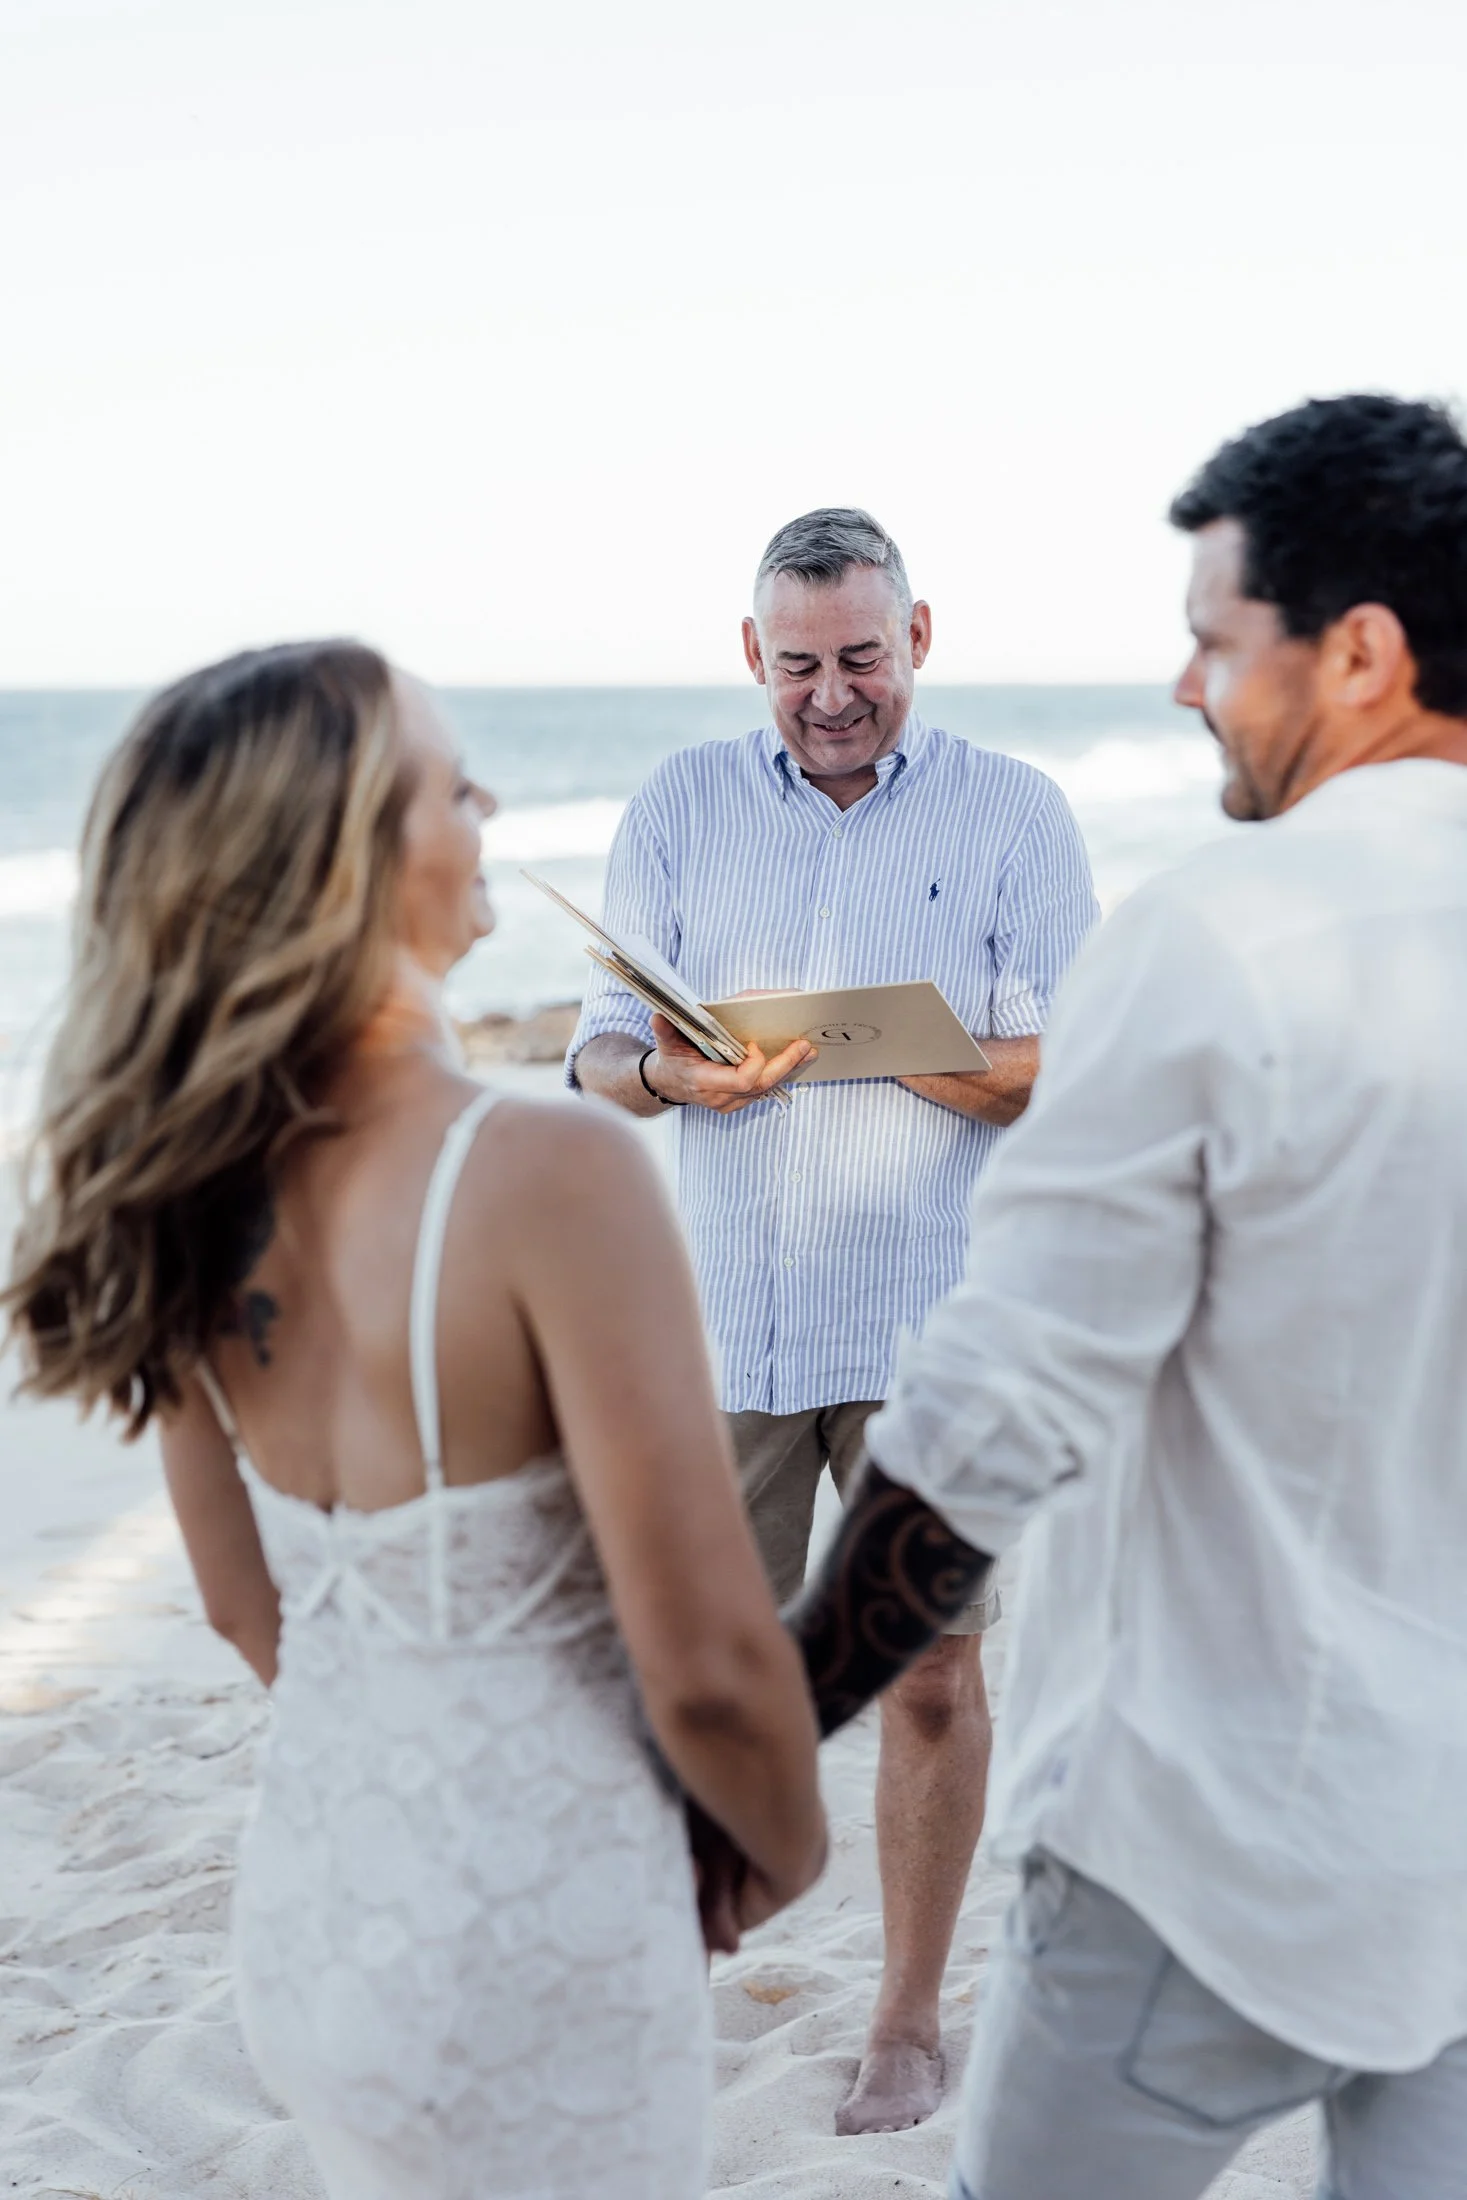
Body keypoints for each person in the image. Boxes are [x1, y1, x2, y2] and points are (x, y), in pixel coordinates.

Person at [3, 642, 826, 2200]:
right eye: (450, 783)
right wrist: (781, 1852)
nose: (488, 802)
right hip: (533, 1940)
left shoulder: (182, 1184)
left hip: (318, 1913)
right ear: (347, 857)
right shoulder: (547, 1171)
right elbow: (713, 1661)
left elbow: (252, 1615)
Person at [778, 394, 1467, 2199]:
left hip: (1208, 1841)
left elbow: (997, 1410)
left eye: (1211, 640)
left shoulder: (1222, 934)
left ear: (1361, 653)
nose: (1183, 688)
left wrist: (784, 1717)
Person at [570, 508, 1096, 2133]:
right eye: (798, 663)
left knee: (930, 1676)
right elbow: (596, 1054)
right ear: (752, 657)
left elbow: (1064, 1067)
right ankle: (663, 1989)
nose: (831, 692)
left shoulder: (1016, 816)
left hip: (933, 1330)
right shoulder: (678, 806)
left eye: (861, 657)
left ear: (918, 639)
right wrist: (676, 1074)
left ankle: (905, 2019)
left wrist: (873, 1049)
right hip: (726, 1330)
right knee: (700, 1683)